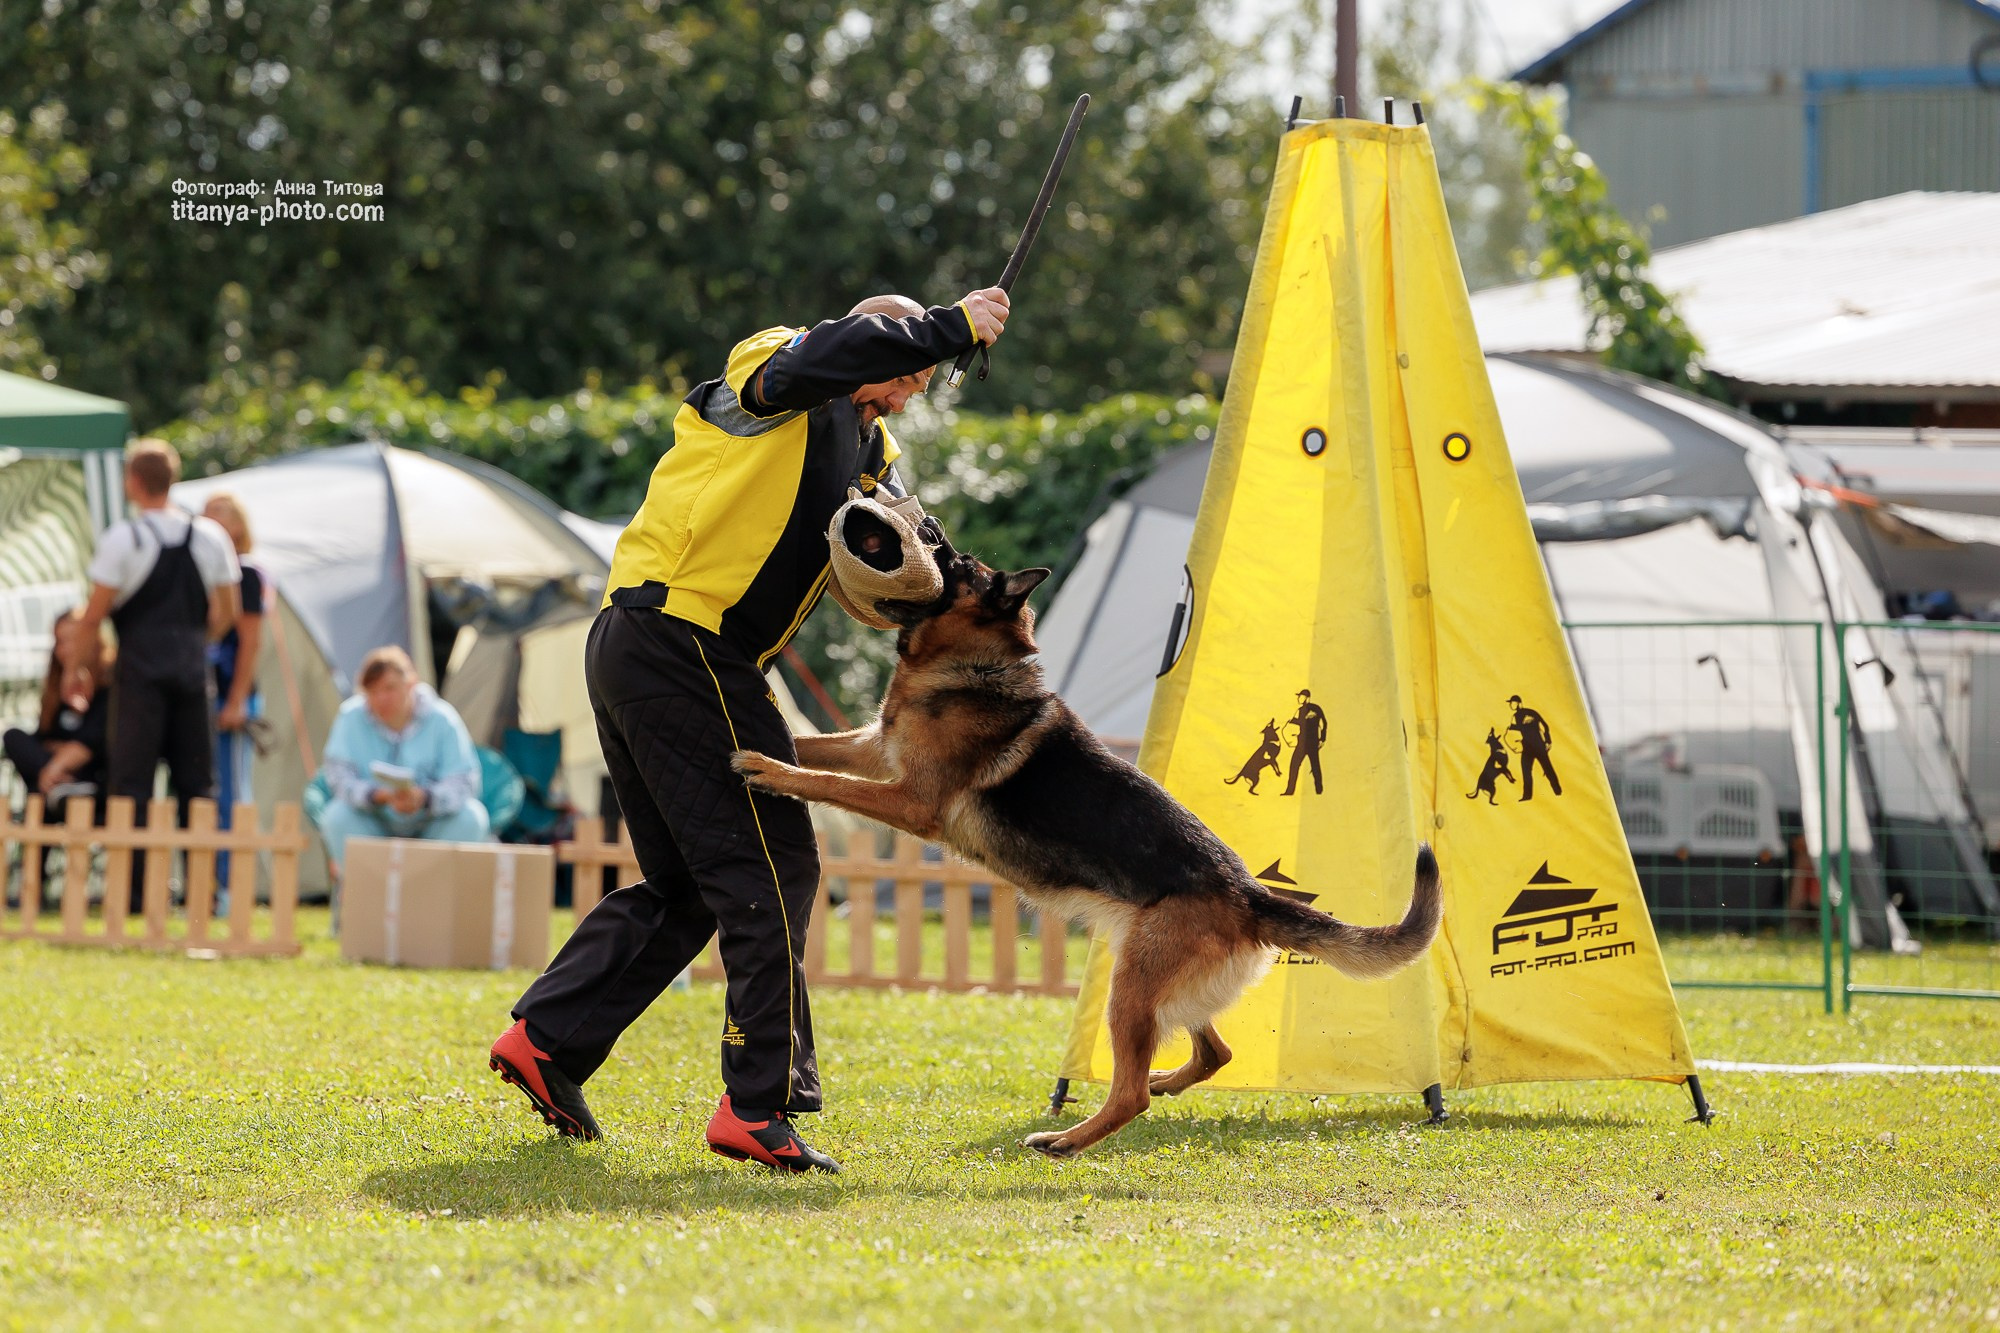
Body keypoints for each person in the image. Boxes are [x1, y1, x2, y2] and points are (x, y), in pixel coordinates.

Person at [491, 287, 1010, 1173]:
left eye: (921, 381)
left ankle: (548, 1040)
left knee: (691, 886)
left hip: (654, 650)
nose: (909, 393)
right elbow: (813, 365)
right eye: (908, 373)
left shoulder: (868, 445)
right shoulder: (774, 363)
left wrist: (989, 614)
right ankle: (757, 1107)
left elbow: (923, 541)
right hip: (685, 643)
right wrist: (950, 324)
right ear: (874, 341)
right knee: (776, 867)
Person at [75, 439, 241, 908]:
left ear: (132, 482)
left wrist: (77, 668)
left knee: (131, 784)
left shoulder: (123, 539)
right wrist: (195, 644)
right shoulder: (209, 536)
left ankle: (134, 895)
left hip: (139, 677)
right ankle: (201, 894)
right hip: (191, 675)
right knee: (197, 785)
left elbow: (93, 617)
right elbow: (226, 611)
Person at [317, 645, 490, 876]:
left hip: (431, 826)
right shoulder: (350, 717)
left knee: (473, 817)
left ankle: (434, 893)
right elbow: (337, 777)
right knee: (336, 816)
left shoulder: (443, 719)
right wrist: (378, 796)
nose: (381, 699)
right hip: (373, 822)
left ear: (411, 683)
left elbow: (465, 781)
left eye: (389, 689)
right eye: (373, 692)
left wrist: (425, 797)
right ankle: (368, 891)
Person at [202, 493, 265, 893]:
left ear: (238, 525)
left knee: (232, 794)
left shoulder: (247, 575)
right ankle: (203, 883)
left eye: (218, 515)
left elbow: (250, 642)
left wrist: (238, 699)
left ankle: (231, 888)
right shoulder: (199, 571)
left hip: (231, 698)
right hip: (199, 698)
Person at [3, 610, 114, 810]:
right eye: (60, 642)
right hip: (57, 783)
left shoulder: (112, 689)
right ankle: (63, 786)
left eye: (72, 640)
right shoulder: (55, 693)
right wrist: (61, 759)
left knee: (42, 785)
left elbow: (91, 744)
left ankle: (63, 786)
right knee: (13, 737)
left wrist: (57, 764)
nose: (65, 649)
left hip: (95, 783)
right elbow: (42, 740)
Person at [1506, 694, 1562, 802]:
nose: (1511, 705)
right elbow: (1515, 730)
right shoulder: (1514, 717)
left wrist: (1548, 740)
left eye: (1513, 702)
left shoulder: (1531, 712)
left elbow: (1544, 725)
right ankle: (1527, 796)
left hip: (1538, 745)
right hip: (1527, 747)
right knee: (1526, 771)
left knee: (1548, 769)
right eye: (1510, 703)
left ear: (1519, 703)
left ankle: (1557, 790)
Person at [1281, 688, 1328, 796]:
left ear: (1307, 697)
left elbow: (1323, 723)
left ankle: (1319, 791)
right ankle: (1289, 791)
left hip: (1312, 742)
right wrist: (1292, 722)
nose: (1298, 698)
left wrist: (1322, 739)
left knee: (1315, 766)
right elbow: (1297, 723)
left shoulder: (1316, 708)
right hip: (1301, 743)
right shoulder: (1300, 710)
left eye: (1300, 696)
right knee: (1294, 765)